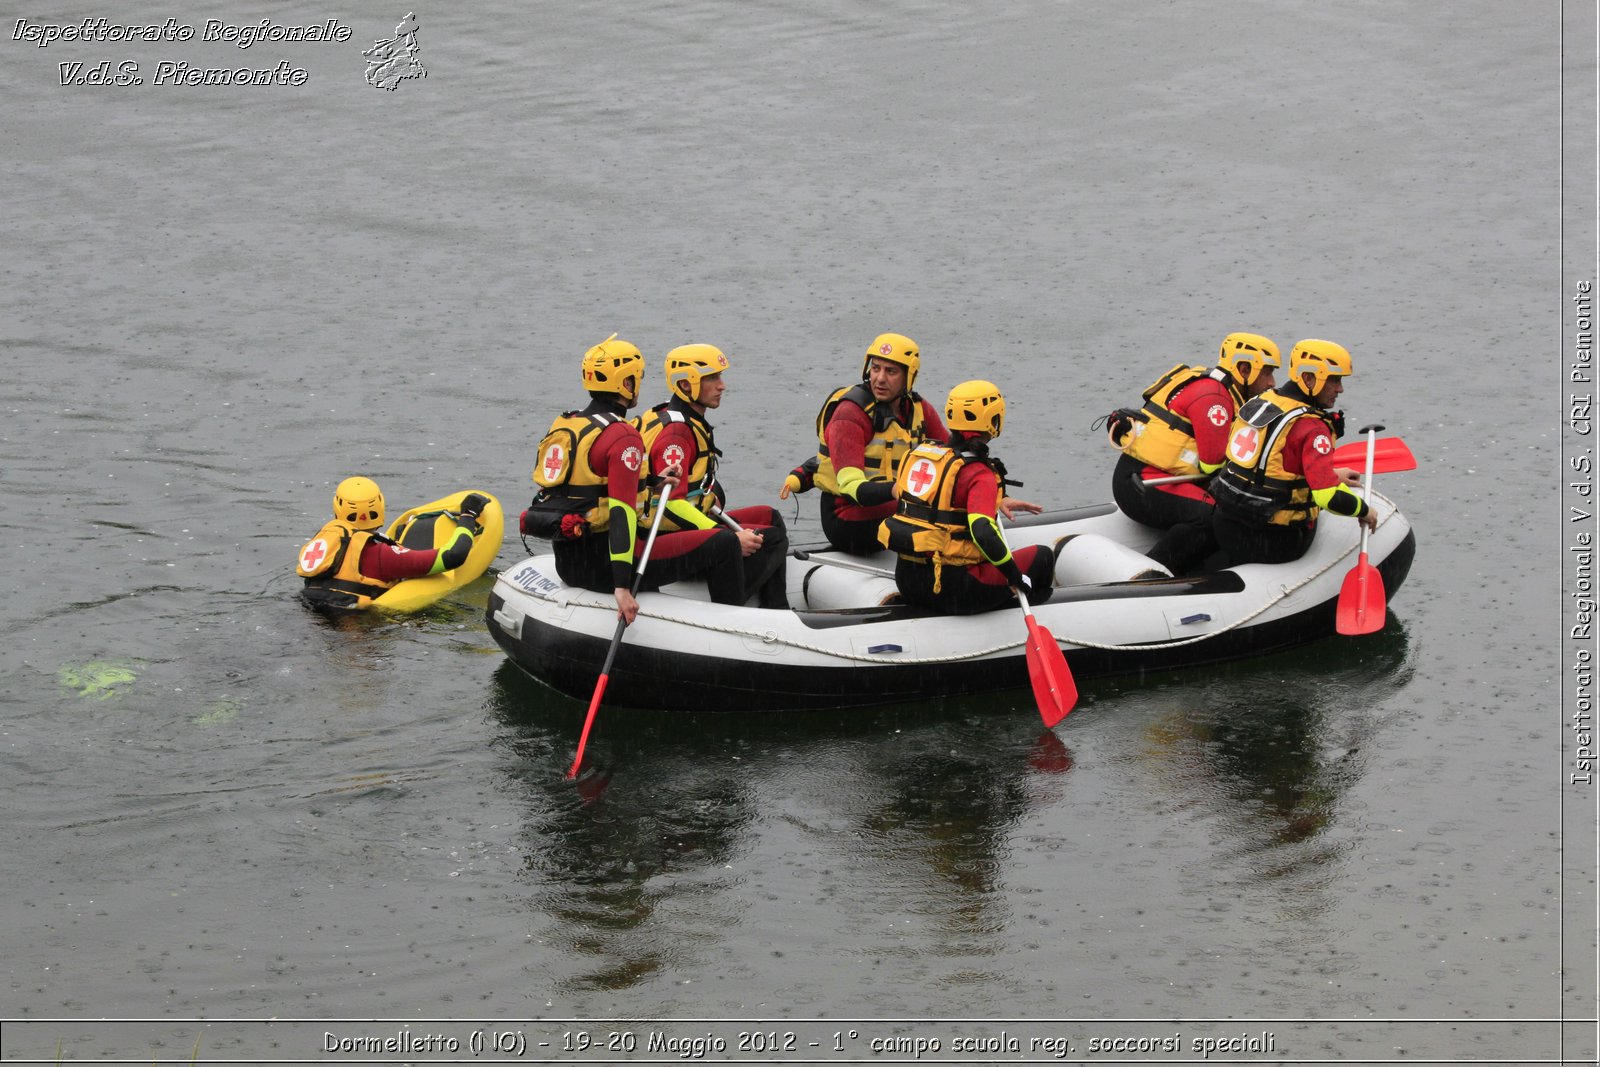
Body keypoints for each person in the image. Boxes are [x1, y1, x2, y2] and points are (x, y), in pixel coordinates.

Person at [523, 334, 759, 624]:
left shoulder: (570, 424)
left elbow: (589, 487)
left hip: (569, 561)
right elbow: (622, 510)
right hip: (606, 567)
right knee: (724, 543)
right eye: (637, 378)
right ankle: (737, 625)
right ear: (626, 383)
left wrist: (653, 482)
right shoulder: (623, 436)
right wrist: (622, 588)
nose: (639, 386)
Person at [1105, 332, 1281, 574]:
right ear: (1244, 368)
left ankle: (1196, 565)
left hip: (1149, 476)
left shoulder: (1217, 388)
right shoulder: (1215, 398)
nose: (1272, 382)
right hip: (1143, 484)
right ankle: (1151, 573)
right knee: (1212, 518)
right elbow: (1213, 464)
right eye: (1267, 372)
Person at [878, 380, 1056, 615]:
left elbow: (942, 504)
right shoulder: (980, 472)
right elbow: (981, 530)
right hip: (954, 591)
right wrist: (1014, 576)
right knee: (1042, 557)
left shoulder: (926, 457)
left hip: (909, 582)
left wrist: (999, 500)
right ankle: (1031, 620)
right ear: (993, 420)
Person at [633, 343, 789, 608]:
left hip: (684, 524)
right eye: (712, 378)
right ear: (685, 385)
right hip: (658, 535)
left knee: (768, 515)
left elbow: (693, 485)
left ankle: (774, 606)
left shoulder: (678, 417)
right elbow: (668, 503)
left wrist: (712, 497)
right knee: (771, 539)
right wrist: (721, 534)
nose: (722, 385)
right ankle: (736, 605)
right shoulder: (676, 435)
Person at [1209, 339, 1377, 566]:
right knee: (1322, 509)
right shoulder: (1313, 427)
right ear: (1309, 378)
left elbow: (1267, 467)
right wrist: (1364, 511)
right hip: (1273, 541)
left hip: (1224, 524)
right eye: (1334, 380)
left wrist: (1331, 474)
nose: (1340, 388)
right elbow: (1328, 498)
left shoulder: (1262, 401)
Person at [778, 333, 950, 554]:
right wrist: (897, 491)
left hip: (895, 504)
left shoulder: (918, 409)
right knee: (934, 517)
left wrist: (995, 494)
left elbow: (953, 457)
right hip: (846, 518)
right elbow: (851, 488)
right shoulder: (849, 414)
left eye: (891, 371)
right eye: (876, 368)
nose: (879, 378)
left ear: (909, 376)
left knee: (950, 510)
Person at [296, 477, 486, 610]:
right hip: (358, 632)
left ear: (337, 509)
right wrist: (468, 516)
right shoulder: (381, 555)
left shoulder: (323, 542)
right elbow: (454, 556)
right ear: (379, 506)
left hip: (310, 615)